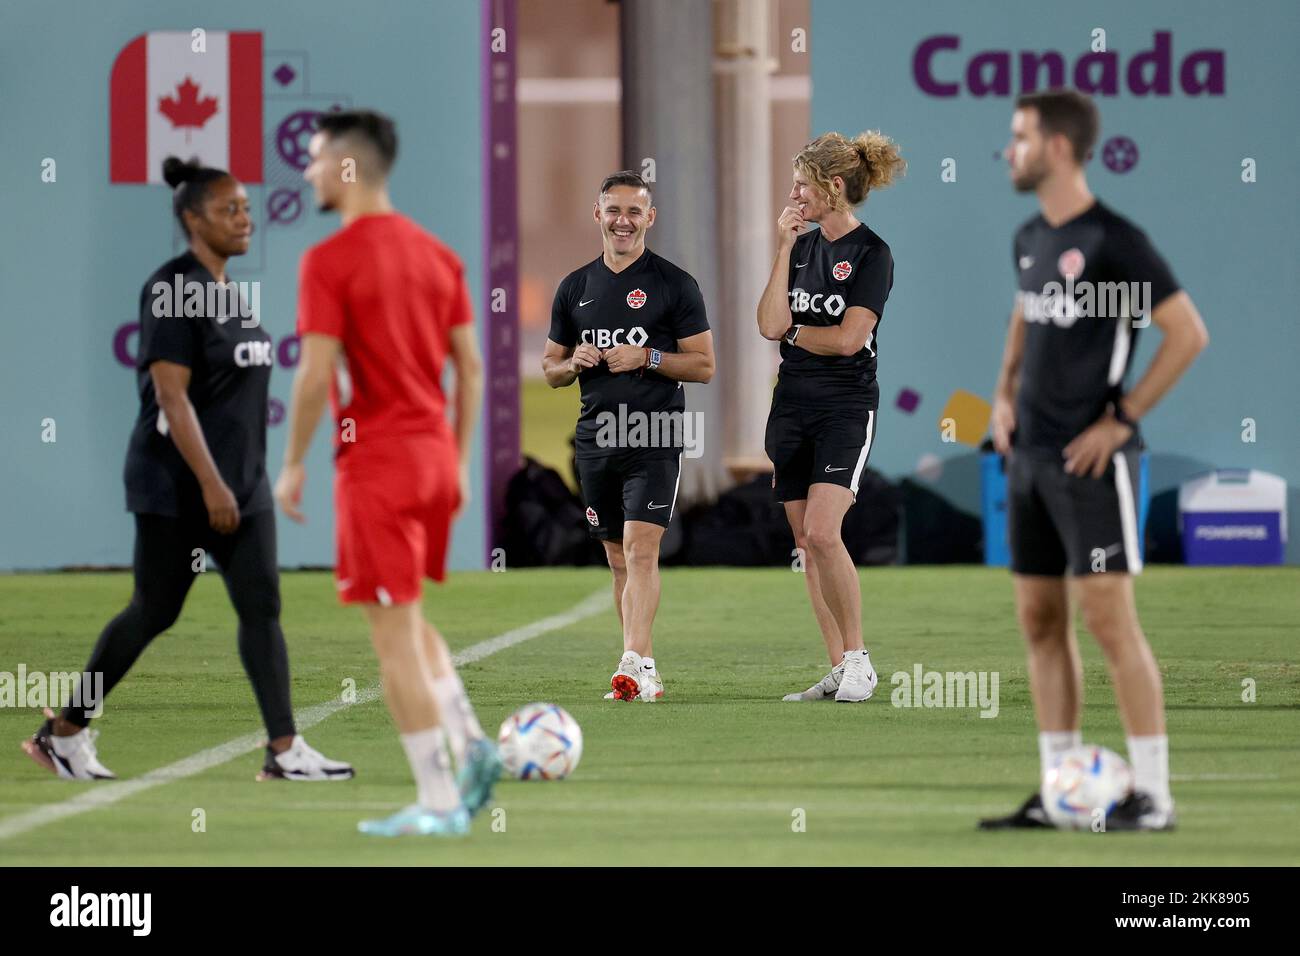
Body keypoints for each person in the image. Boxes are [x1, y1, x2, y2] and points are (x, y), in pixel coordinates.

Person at [22, 156, 352, 783]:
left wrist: (241, 481)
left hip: (240, 487)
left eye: (247, 208)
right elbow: (171, 397)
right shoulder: (171, 287)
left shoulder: (227, 288)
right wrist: (211, 484)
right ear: (192, 219)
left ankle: (284, 751)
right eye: (229, 210)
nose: (244, 219)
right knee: (153, 610)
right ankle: (65, 732)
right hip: (178, 486)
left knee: (262, 608)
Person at [979, 90, 1208, 831]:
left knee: (1110, 623)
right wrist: (1002, 394)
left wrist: (1123, 420)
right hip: (1029, 461)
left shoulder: (1115, 241)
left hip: (1088, 465)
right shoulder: (1027, 237)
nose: (1008, 150)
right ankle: (1060, 789)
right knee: (1040, 621)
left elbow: (1187, 333)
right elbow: (1024, 313)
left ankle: (1154, 797)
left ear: (1056, 147)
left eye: (1018, 137)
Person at [275, 110, 495, 837]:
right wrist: (460, 463)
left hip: (377, 462)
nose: (305, 171)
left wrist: (292, 465)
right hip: (433, 460)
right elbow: (469, 367)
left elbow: (313, 379)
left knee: (391, 638)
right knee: (408, 615)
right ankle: (473, 745)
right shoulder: (438, 255)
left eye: (312, 159)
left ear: (345, 167)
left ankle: (438, 803)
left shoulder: (329, 262)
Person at [542, 171, 714, 702]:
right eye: (614, 211)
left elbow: (704, 366)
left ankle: (632, 661)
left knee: (642, 553)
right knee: (618, 560)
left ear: (650, 218)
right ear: (598, 215)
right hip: (596, 438)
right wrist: (574, 361)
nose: (623, 221)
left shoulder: (675, 284)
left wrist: (649, 356)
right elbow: (550, 368)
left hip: (655, 433)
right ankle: (646, 668)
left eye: (634, 212)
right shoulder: (575, 287)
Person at [755, 131, 905, 703]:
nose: (793, 195)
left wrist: (795, 331)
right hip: (790, 405)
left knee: (823, 530)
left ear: (833, 187)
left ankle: (861, 657)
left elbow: (847, 340)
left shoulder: (873, 254)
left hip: (845, 407)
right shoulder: (803, 247)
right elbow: (768, 323)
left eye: (802, 185)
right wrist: (782, 248)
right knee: (804, 540)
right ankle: (839, 666)